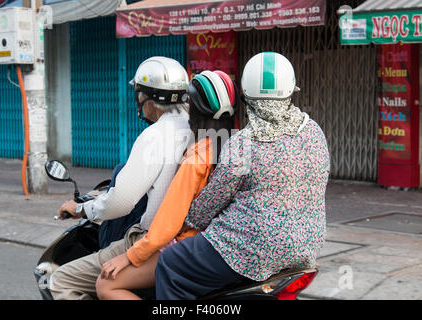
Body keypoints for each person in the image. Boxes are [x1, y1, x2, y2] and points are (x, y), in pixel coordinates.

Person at [154, 52, 331, 300]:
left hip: (250, 249)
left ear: (246, 99)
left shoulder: (243, 143)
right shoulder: (314, 131)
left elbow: (210, 203)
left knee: (171, 263)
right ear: (291, 91)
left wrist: (185, 223)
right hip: (307, 247)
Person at [49, 56, 191, 300]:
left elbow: (121, 202)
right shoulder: (197, 127)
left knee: (60, 280)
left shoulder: (155, 136)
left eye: (138, 94)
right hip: (184, 238)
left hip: (150, 239)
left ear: (147, 98)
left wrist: (82, 209)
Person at [94, 70, 237, 300]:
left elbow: (167, 225)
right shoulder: (237, 147)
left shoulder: (196, 159)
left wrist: (128, 257)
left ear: (194, 109)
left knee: (105, 285)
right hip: (221, 247)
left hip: (186, 247)